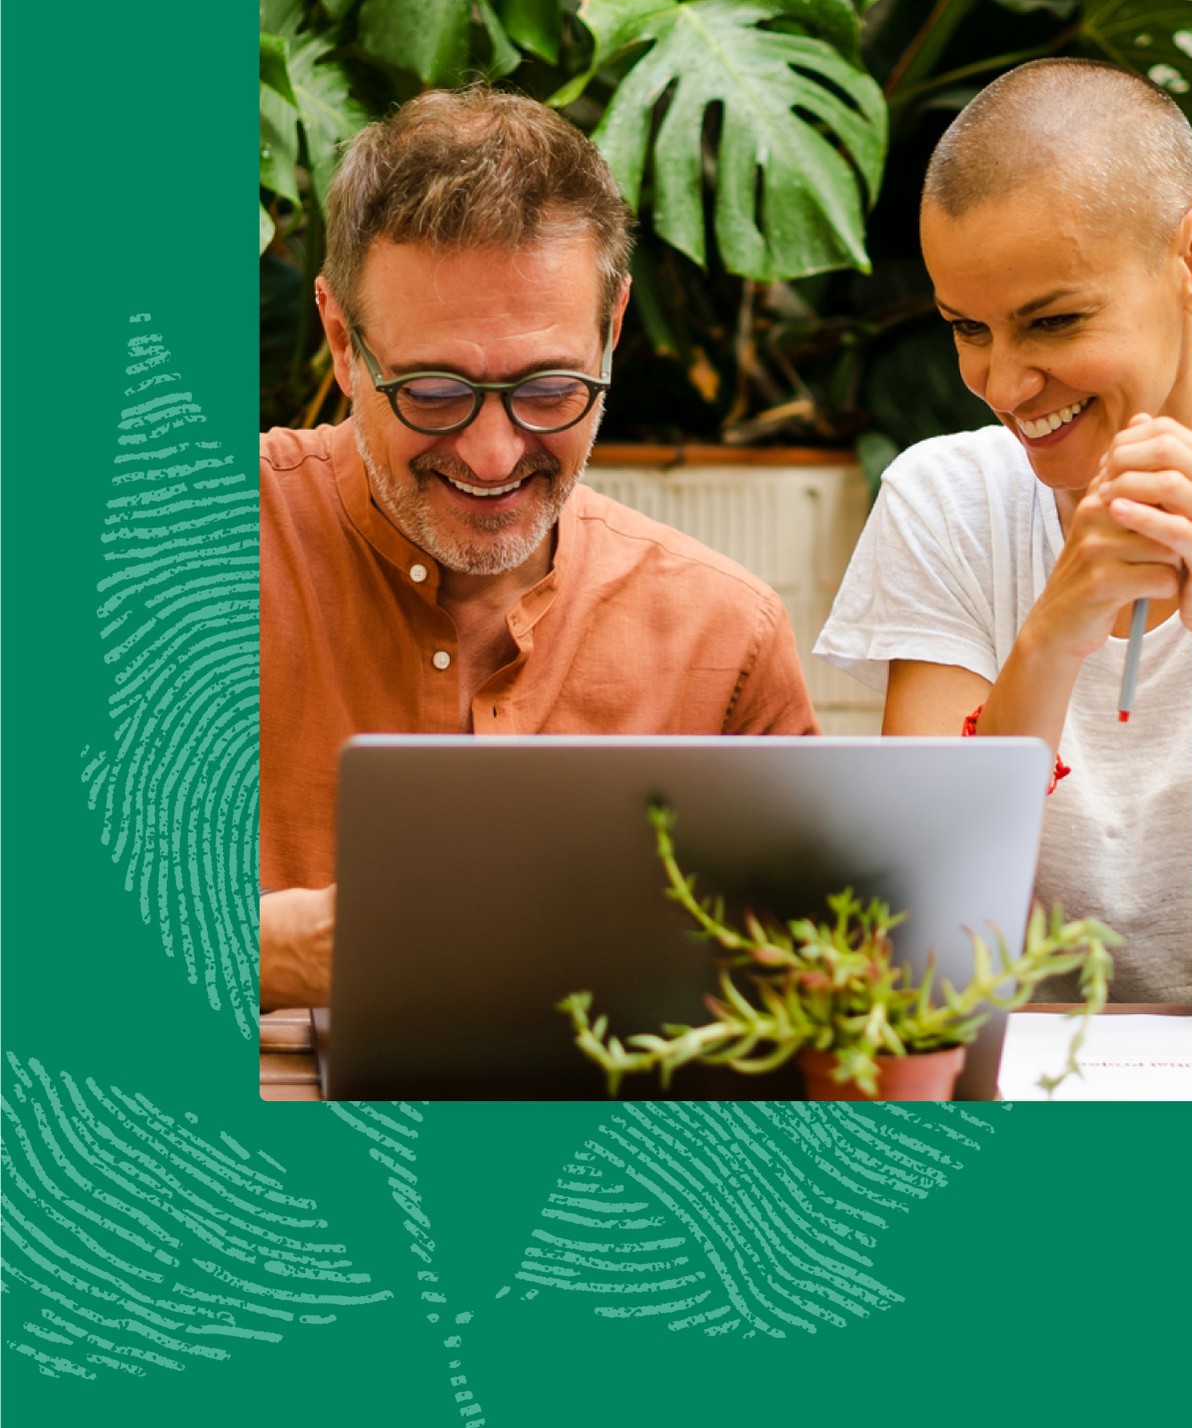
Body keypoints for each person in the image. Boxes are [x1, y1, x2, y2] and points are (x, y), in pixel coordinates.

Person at [262, 85, 818, 1011]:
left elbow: (813, 986)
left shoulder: (727, 636)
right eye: (434, 391)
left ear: (612, 329)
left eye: (551, 387)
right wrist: (272, 953)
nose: (493, 453)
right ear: (341, 342)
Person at [815, 59, 1192, 1014]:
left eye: (1055, 320)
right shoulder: (945, 500)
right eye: (967, 328)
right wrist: (1050, 635)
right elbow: (930, 959)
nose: (1004, 384)